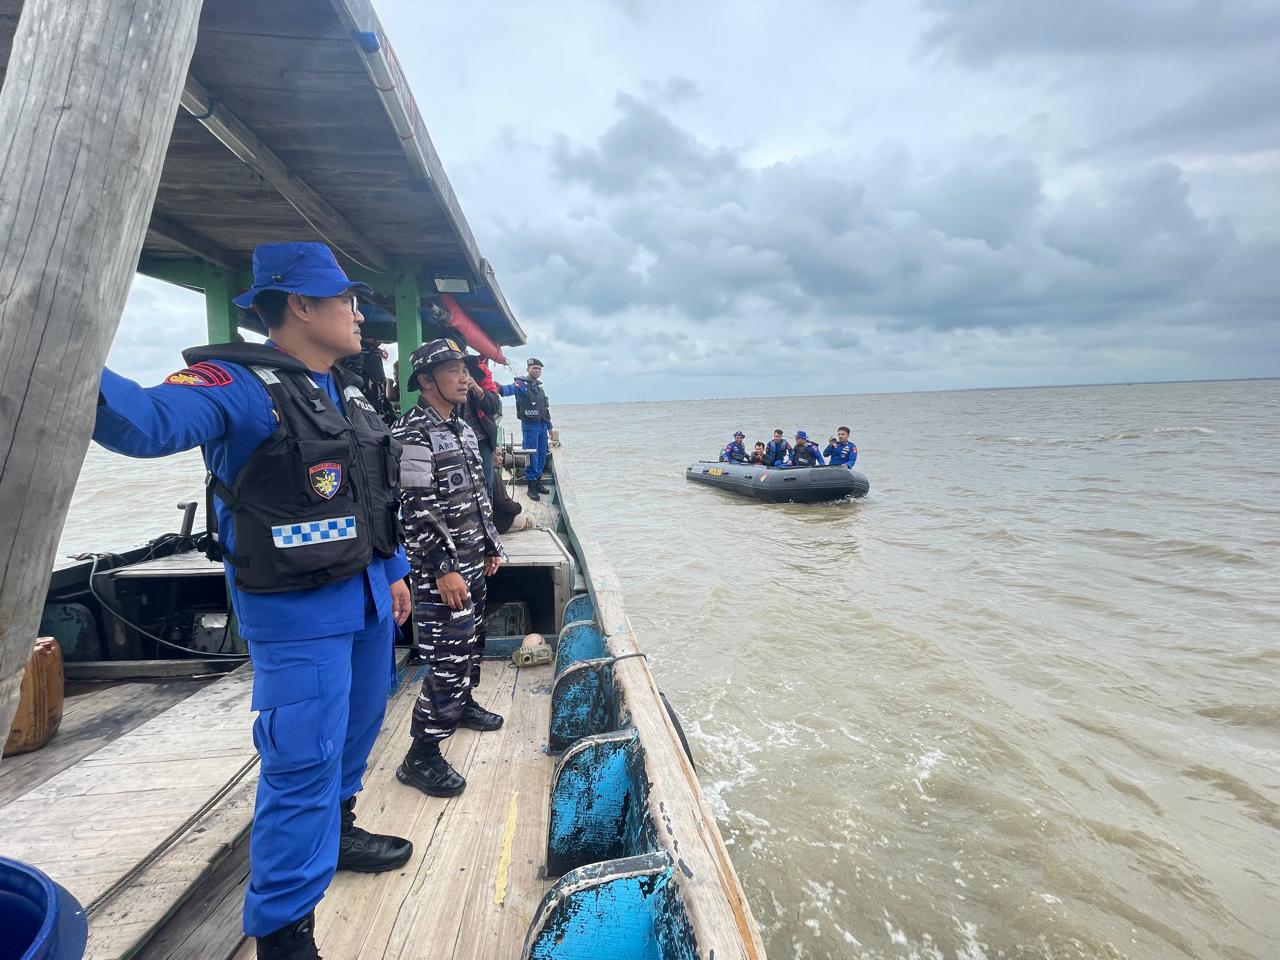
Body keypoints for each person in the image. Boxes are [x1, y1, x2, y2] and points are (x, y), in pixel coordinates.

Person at [91, 242, 413, 960]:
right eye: (345, 301)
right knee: (301, 761)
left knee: (356, 735)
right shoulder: (236, 385)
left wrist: (393, 569)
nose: (358, 314)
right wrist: (59, 347)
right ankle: (283, 931)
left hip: (363, 600)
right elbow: (146, 421)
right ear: (300, 305)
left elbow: (371, 492)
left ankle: (340, 828)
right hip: (297, 616)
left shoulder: (348, 388)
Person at [393, 339, 507, 800]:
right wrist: (442, 567)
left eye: (466, 369)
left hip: (472, 560)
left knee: (472, 642)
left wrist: (490, 545)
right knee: (447, 657)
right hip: (442, 570)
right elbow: (416, 506)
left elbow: (479, 495)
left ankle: (461, 707)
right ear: (425, 380)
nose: (466, 378)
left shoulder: (459, 427)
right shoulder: (413, 432)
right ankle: (420, 755)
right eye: (454, 370)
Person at [499, 358, 552, 500]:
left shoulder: (540, 389)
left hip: (542, 425)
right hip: (530, 426)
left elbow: (545, 410)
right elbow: (507, 390)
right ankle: (531, 487)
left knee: (542, 453)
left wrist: (550, 428)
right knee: (531, 455)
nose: (537, 370)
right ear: (528, 369)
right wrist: (496, 387)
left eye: (539, 369)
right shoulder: (521, 385)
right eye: (534, 368)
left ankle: (538, 481)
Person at [461, 353, 502, 494]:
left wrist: (477, 389)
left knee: (485, 483)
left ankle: (488, 515)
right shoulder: (439, 378)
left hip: (480, 435)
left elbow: (494, 406)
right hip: (452, 436)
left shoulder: (481, 371)